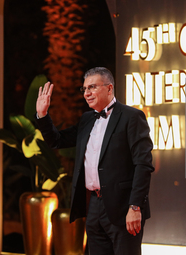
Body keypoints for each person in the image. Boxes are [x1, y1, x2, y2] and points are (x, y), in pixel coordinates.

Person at [35, 67, 154, 255]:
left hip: (124, 207)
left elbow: (143, 165)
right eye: (84, 89)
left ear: (109, 88)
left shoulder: (131, 117)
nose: (87, 93)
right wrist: (42, 115)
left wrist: (135, 206)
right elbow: (56, 140)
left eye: (92, 87)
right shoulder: (86, 119)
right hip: (95, 207)